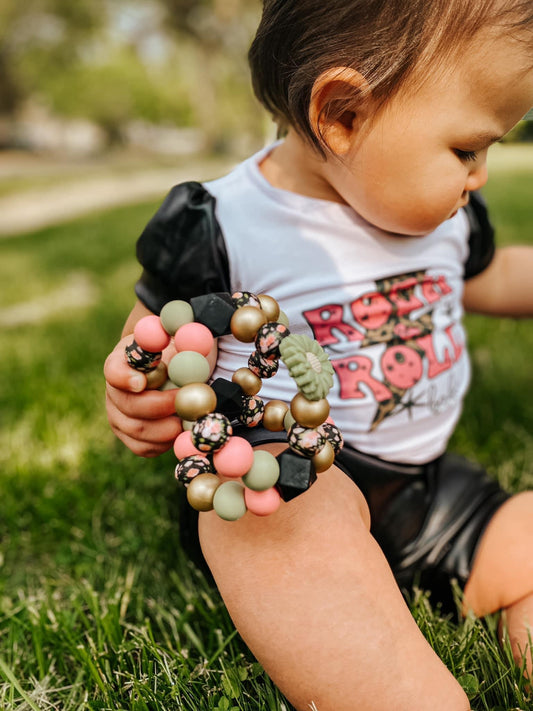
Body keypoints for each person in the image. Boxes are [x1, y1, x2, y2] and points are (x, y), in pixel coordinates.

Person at [105, 1, 533, 708]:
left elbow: (498, 277)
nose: (478, 175)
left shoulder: (445, 221)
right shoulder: (223, 224)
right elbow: (149, 343)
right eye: (466, 149)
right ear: (343, 115)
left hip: (429, 494)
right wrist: (135, 390)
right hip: (285, 487)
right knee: (281, 513)